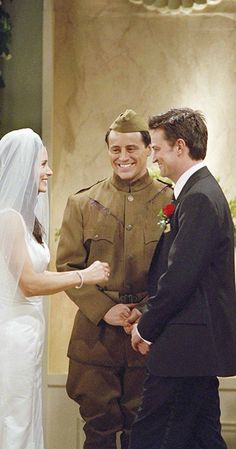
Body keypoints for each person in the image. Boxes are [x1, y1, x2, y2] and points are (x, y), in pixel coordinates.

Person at [56, 109, 173, 449]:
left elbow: (176, 269)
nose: (122, 157)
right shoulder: (82, 203)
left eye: (131, 149)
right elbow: (67, 265)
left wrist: (148, 310)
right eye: (115, 149)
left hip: (149, 336)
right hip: (95, 341)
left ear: (148, 150)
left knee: (145, 429)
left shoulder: (171, 200)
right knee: (98, 430)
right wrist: (104, 309)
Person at [129, 108, 236, 449]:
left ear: (179, 146)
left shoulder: (200, 197)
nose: (153, 156)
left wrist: (146, 326)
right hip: (195, 347)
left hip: (184, 346)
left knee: (151, 436)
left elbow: (180, 276)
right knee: (202, 437)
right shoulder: (195, 193)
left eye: (157, 148)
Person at [0, 128, 110, 449]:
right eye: (43, 164)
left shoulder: (26, 220)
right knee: (14, 418)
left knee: (27, 414)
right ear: (23, 166)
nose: (49, 171)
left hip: (29, 333)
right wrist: (83, 275)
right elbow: (31, 283)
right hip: (11, 336)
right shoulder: (8, 219)